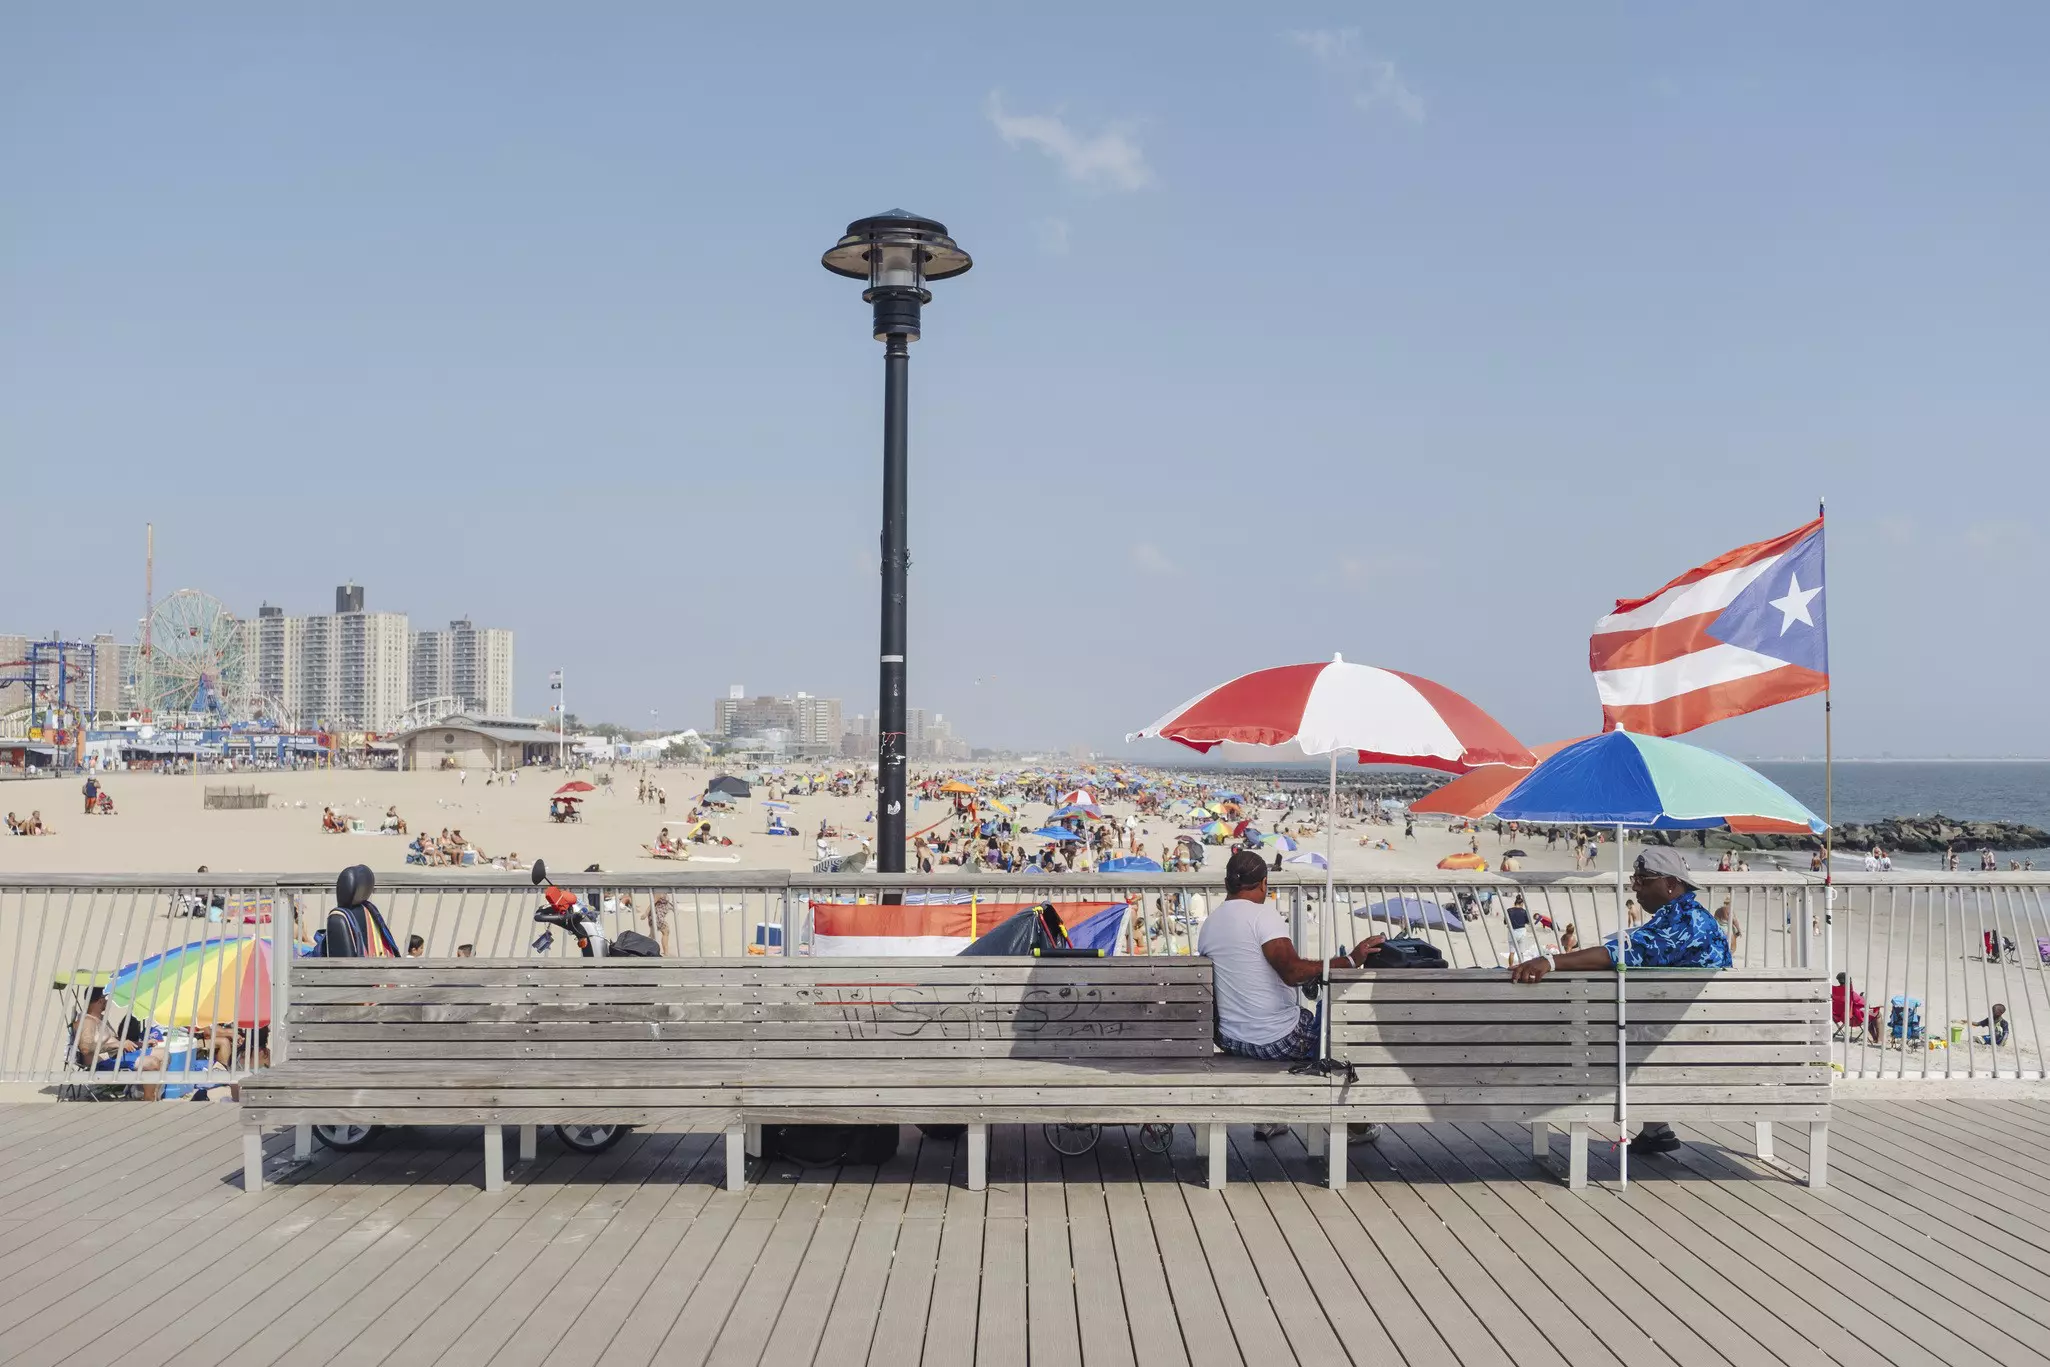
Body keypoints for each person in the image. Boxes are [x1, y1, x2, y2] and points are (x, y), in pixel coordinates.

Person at [1508, 846, 1731, 1156]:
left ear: (1670, 884)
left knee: (1579, 1035)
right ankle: (1656, 1128)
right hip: (1703, 1036)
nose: (1635, 886)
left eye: (1643, 879)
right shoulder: (1692, 918)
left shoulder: (1683, 921)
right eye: (1634, 878)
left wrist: (1552, 961)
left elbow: (1623, 955)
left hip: (1686, 1044)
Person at [1196, 850, 1384, 1144]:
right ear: (1263, 884)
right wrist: (1349, 960)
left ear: (1226, 884)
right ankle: (1355, 1125)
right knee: (1343, 1038)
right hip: (1275, 1040)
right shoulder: (1262, 915)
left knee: (1286, 1020)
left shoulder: (1210, 924)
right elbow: (1293, 972)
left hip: (1231, 1039)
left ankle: (1270, 1117)